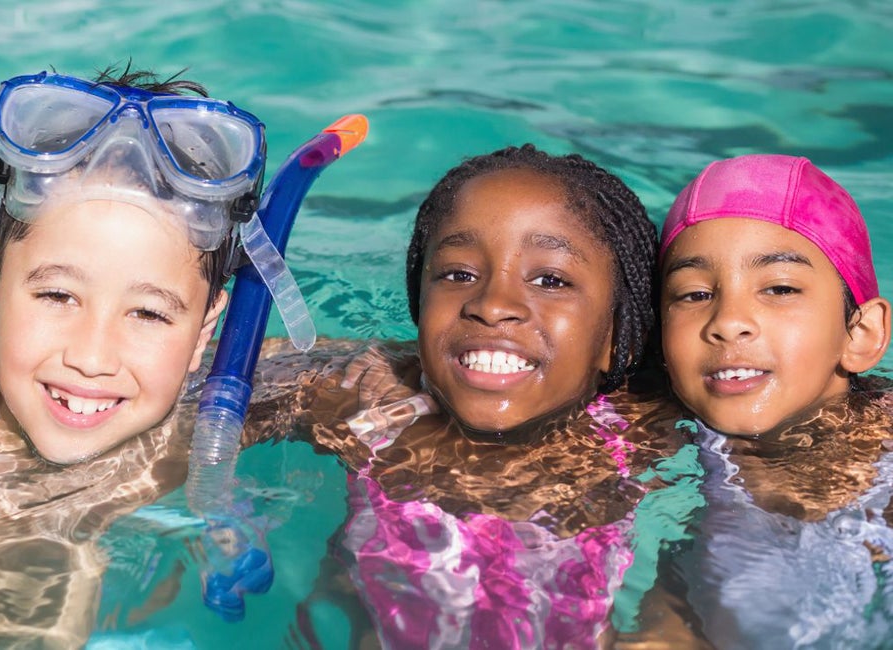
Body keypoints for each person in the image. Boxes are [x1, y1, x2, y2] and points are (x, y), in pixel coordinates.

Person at [241, 144, 701, 648]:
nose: (492, 305)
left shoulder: (648, 429)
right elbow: (217, 382)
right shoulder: (366, 400)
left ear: (617, 339)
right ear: (419, 303)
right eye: (458, 275)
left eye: (550, 280)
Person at [0, 63, 265, 645]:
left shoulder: (213, 412)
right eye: (58, 295)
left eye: (148, 313)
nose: (92, 356)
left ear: (206, 331)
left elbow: (365, 383)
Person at [648, 154, 893, 648]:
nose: (728, 320)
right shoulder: (647, 429)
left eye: (779, 288)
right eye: (693, 294)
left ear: (860, 334)